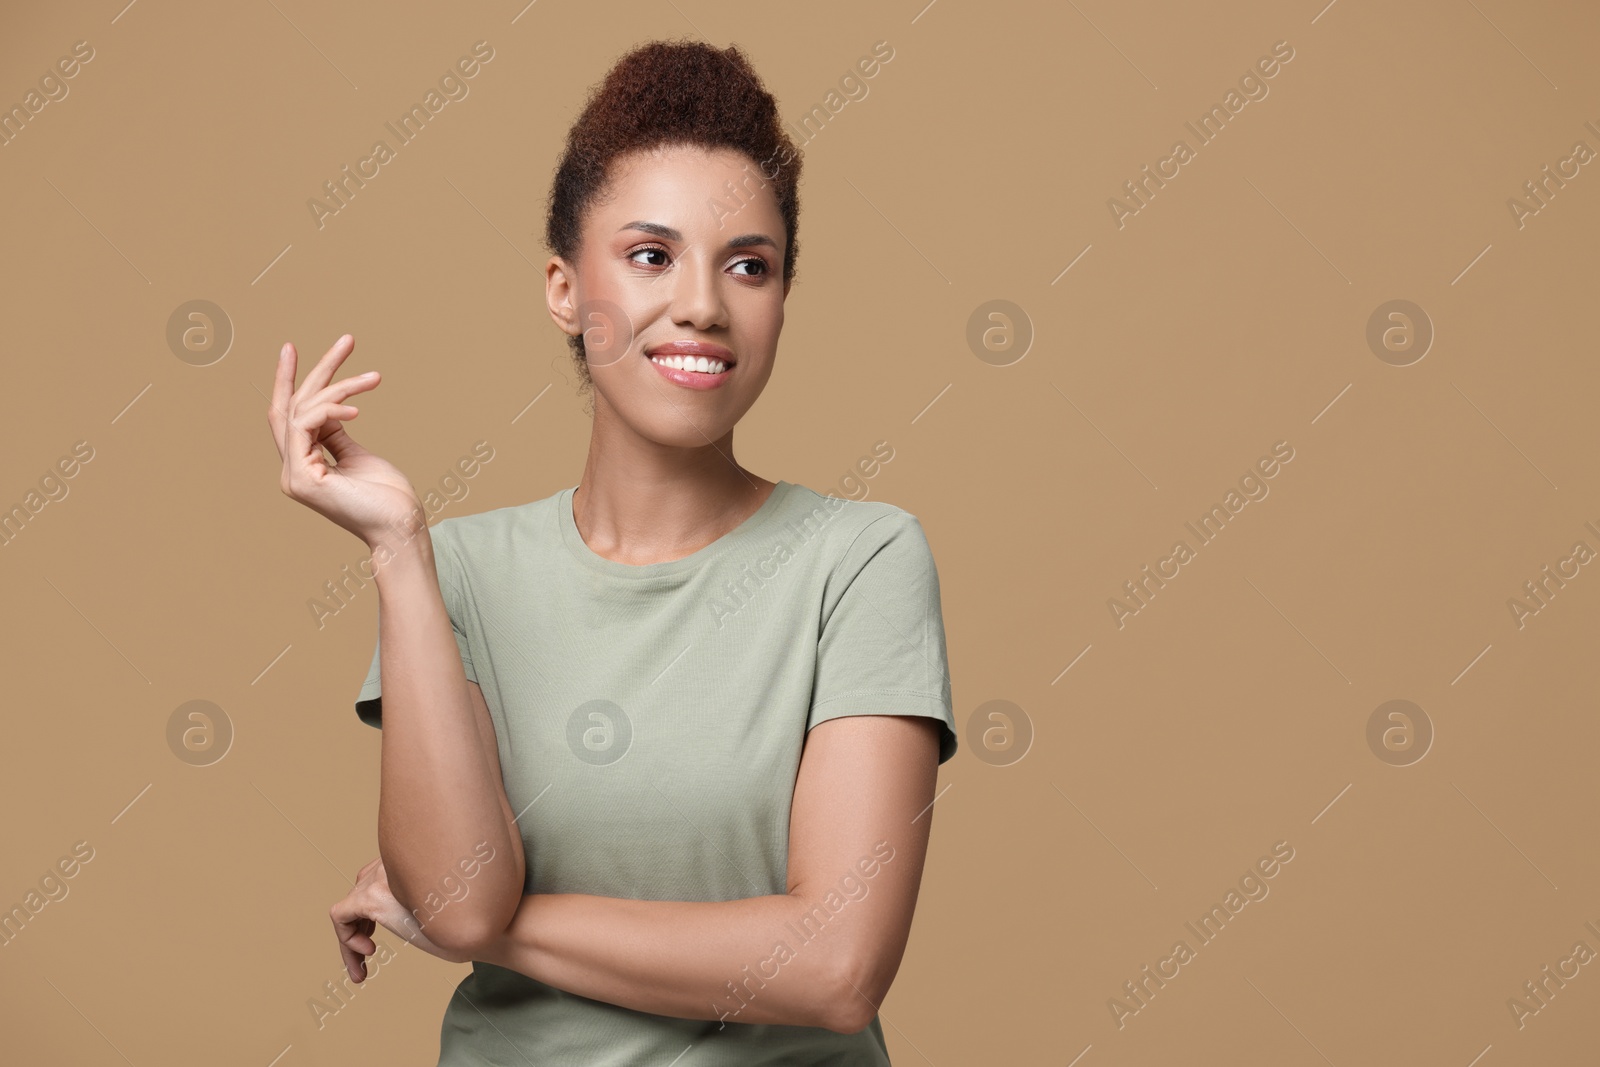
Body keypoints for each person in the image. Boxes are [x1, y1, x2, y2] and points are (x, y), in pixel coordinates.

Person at [268, 37, 957, 1065]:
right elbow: (455, 887)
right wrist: (397, 549)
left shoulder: (856, 560)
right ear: (561, 286)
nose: (703, 305)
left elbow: (835, 965)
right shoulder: (455, 571)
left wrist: (498, 927)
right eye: (650, 255)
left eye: (749, 265)